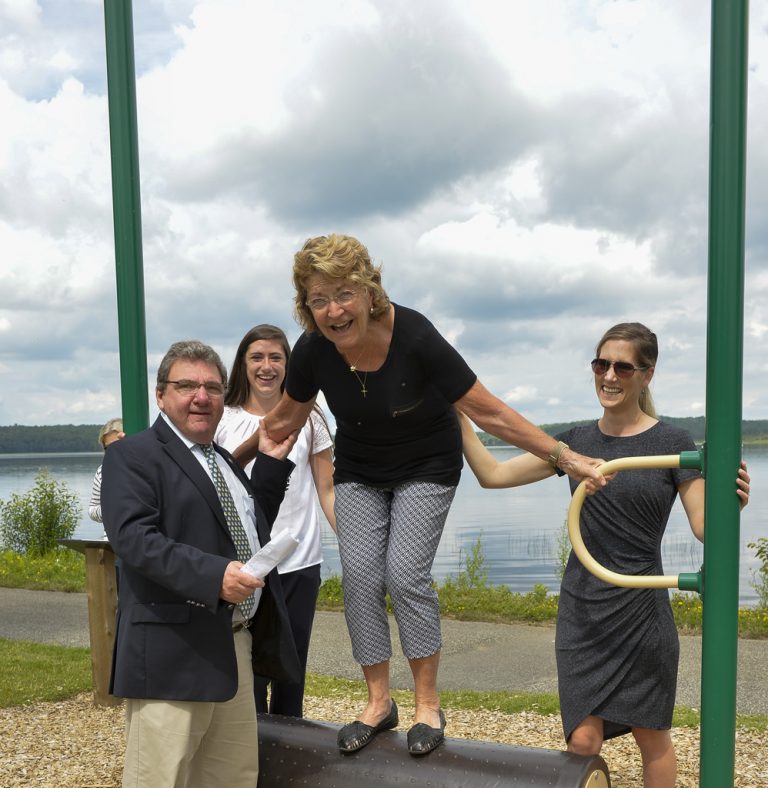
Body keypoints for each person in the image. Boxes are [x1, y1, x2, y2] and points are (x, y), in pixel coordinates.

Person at [232, 234, 605, 759]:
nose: (333, 310)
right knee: (361, 577)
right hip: (361, 467)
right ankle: (379, 704)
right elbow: (284, 421)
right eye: (318, 299)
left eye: (343, 294)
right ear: (305, 306)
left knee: (404, 575)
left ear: (368, 290)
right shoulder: (314, 350)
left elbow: (489, 411)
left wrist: (567, 459)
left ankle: (428, 705)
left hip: (428, 464)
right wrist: (227, 464)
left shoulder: (414, 334)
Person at [460, 321, 750, 788]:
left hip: (641, 604)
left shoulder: (672, 445)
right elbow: (493, 475)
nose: (610, 376)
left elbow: (703, 527)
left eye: (623, 367)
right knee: (582, 734)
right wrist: (461, 422)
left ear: (647, 374)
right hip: (584, 605)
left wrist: (730, 503)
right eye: (601, 365)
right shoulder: (574, 444)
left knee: (649, 729)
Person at [101, 339, 301, 788]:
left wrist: (267, 463)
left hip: (230, 642)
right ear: (161, 395)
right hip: (169, 647)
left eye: (212, 388)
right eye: (188, 386)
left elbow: (239, 525)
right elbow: (137, 540)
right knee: (157, 787)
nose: (201, 397)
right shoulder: (135, 456)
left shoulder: (220, 460)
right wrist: (214, 576)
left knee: (229, 776)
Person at [215, 323, 335, 717]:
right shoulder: (222, 418)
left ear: (290, 365)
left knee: (291, 667)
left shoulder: (312, 418)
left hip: (300, 563)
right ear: (243, 364)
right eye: (257, 358)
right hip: (242, 565)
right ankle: (248, 756)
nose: (267, 367)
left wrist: (356, 544)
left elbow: (327, 490)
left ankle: (288, 753)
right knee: (248, 667)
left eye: (276, 358)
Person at [88, 418, 124, 523]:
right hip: (112, 536)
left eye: (118, 444)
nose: (114, 451)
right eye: (108, 448)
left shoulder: (146, 466)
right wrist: (111, 509)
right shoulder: (102, 471)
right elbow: (92, 509)